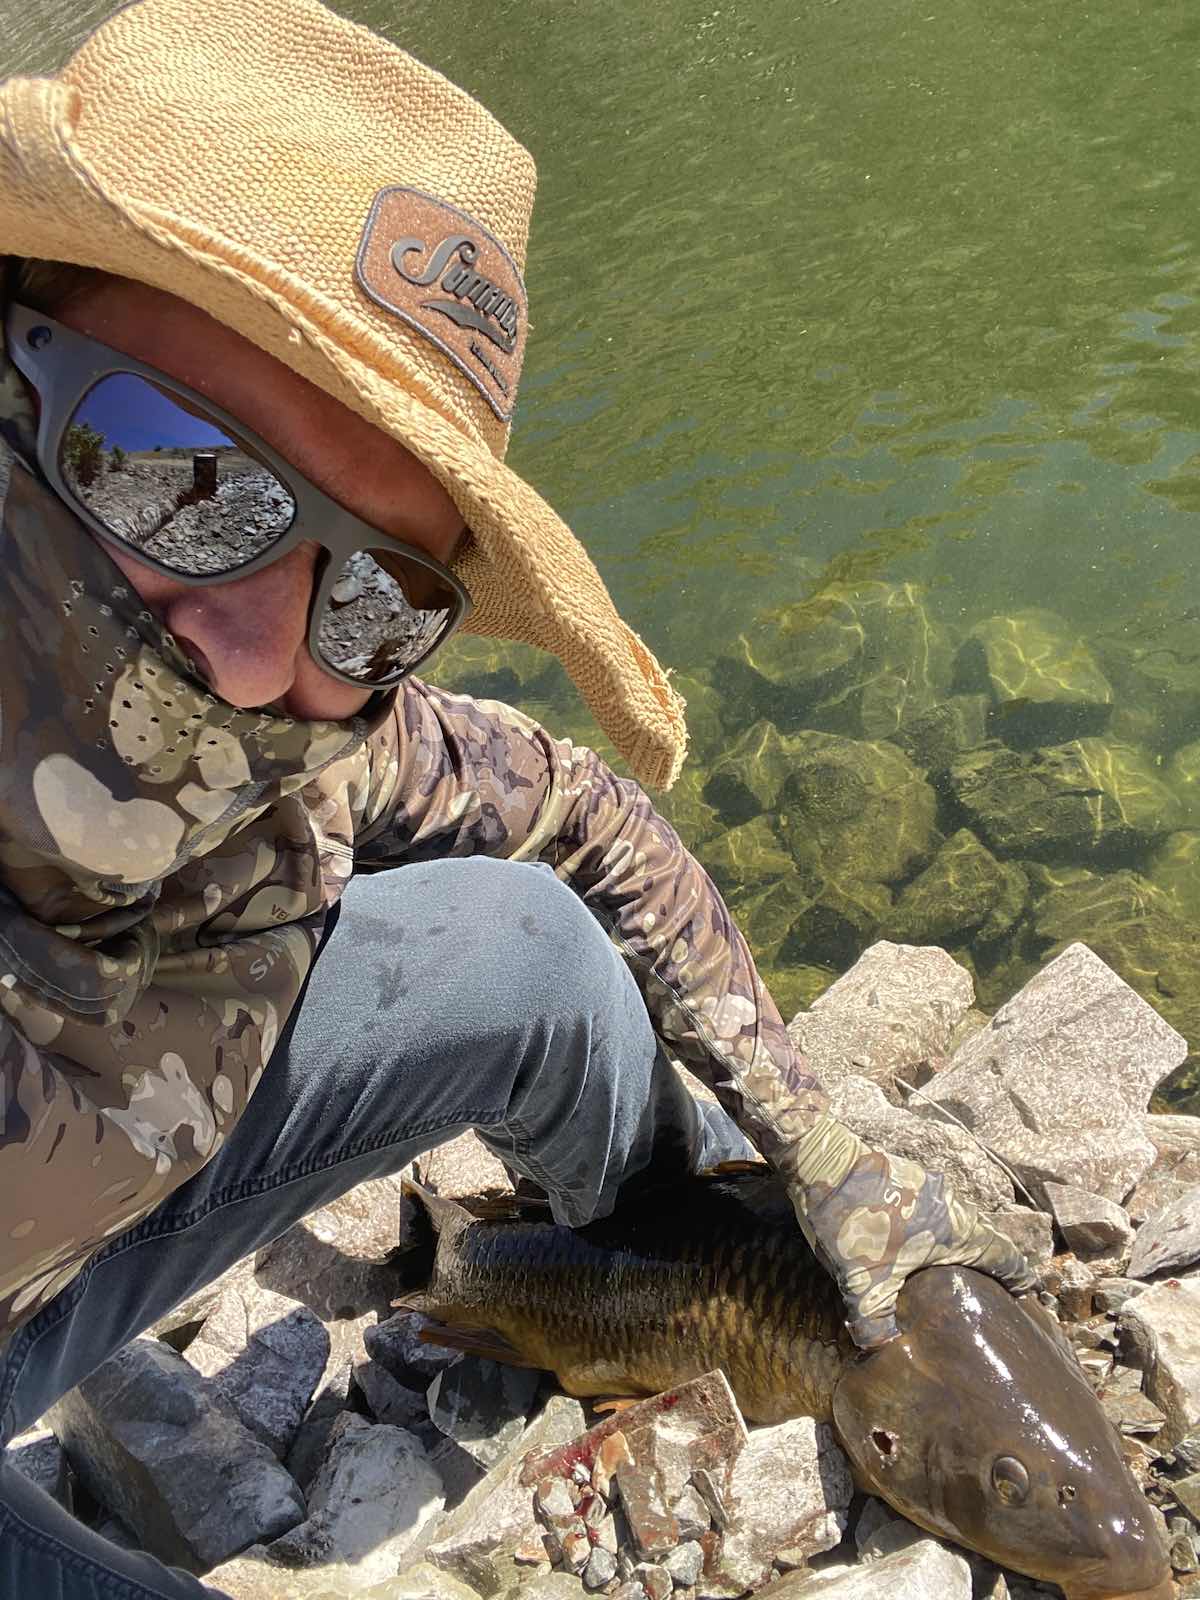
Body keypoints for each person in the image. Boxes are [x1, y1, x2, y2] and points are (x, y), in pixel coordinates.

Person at [0, 0, 1036, 1593]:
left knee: (526, 940)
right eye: (173, 469)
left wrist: (812, 1139)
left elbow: (580, 812)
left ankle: (639, 1263)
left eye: (374, 593)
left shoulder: (325, 738)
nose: (259, 648)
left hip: (64, 1235)